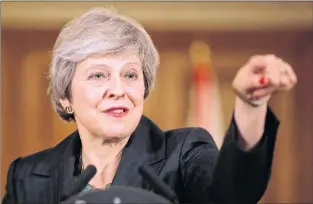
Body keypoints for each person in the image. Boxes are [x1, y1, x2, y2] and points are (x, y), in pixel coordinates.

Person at [2, 7, 297, 204]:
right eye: (98, 75)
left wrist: (251, 102)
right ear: (66, 97)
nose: (118, 89)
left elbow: (232, 194)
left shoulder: (184, 153)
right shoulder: (27, 176)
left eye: (130, 74)